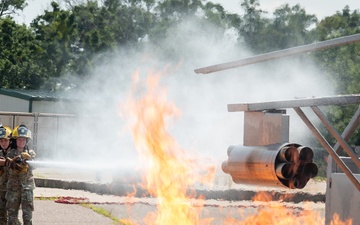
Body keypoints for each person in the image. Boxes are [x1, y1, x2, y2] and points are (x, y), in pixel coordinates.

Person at [6, 125, 36, 225]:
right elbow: (10, 167)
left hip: (27, 188)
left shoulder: (31, 153)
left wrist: (29, 161)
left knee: (27, 216)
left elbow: (34, 166)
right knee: (12, 215)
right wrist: (16, 162)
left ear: (26, 141)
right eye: (19, 139)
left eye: (23, 140)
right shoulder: (11, 154)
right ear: (15, 140)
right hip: (13, 188)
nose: (21, 142)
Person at [0, 126, 13, 225]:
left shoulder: (14, 154)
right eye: (1, 141)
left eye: (5, 140)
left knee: (12, 216)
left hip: (12, 189)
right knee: (1, 215)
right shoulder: (0, 153)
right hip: (1, 188)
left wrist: (5, 162)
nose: (3, 143)